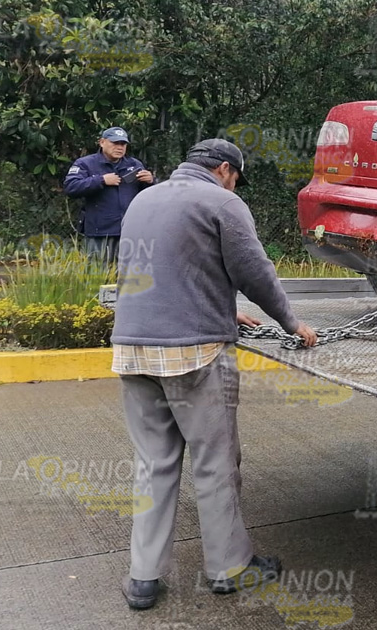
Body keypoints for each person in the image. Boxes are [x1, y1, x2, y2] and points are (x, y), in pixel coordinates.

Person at [110, 138, 317, 609]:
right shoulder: (223, 201)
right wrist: (292, 321)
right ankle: (229, 569)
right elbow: (254, 271)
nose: (236, 184)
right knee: (215, 463)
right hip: (194, 355)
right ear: (225, 169)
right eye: (237, 177)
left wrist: (226, 311)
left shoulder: (145, 198)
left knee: (154, 464)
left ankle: (143, 578)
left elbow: (161, 270)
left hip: (133, 349)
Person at [63, 126, 156, 264]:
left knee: (129, 277)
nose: (119, 147)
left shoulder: (134, 164)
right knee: (98, 276)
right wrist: (101, 180)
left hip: (129, 232)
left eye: (123, 144)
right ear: (102, 142)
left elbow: (148, 196)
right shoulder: (86, 164)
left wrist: (150, 181)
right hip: (99, 233)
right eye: (115, 143)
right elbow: (71, 187)